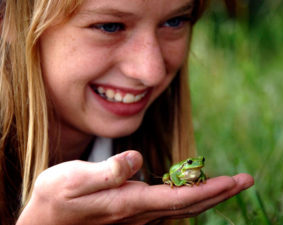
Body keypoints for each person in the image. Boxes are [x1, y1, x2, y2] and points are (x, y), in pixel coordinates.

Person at [0, 0, 254, 224]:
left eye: (174, 21)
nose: (151, 71)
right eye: (109, 26)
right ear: (8, 22)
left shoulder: (146, 160)